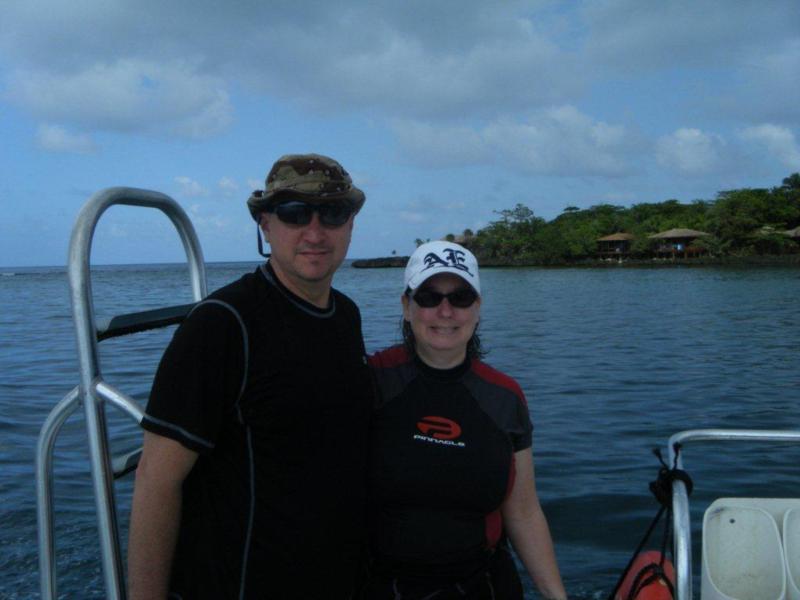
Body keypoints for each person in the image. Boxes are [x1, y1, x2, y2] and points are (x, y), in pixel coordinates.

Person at [128, 153, 374, 599]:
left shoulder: (346, 317)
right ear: (265, 224)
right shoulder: (221, 325)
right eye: (294, 214)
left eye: (333, 213)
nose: (315, 232)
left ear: (351, 223)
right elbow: (157, 481)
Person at [365, 241, 567, 600]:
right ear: (406, 307)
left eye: (460, 298)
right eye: (428, 297)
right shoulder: (371, 381)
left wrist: (556, 595)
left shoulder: (504, 397)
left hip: (481, 584)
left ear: (478, 309)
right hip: (382, 583)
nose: (445, 311)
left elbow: (523, 511)